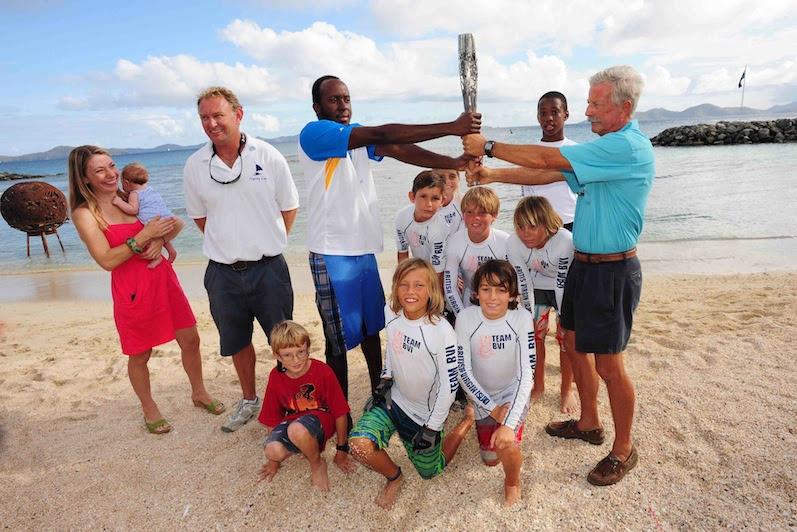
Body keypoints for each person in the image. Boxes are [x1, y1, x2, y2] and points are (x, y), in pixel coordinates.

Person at [463, 65, 654, 486]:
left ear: (624, 107)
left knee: (610, 365)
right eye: (587, 103)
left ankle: (624, 449)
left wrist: (489, 146)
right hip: (585, 265)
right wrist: (492, 175)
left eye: (595, 104)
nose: (588, 112)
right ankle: (588, 422)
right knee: (573, 344)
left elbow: (550, 156)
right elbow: (548, 172)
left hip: (613, 271)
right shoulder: (605, 149)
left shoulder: (626, 147)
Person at [297, 75, 480, 404]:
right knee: (337, 339)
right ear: (317, 107)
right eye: (334, 100)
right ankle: (340, 413)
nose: (342, 106)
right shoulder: (315, 135)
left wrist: (450, 163)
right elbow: (384, 133)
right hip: (331, 252)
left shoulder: (356, 140)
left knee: (371, 328)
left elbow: (399, 148)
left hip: (363, 250)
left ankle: (378, 396)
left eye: (346, 99)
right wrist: (452, 126)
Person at [68, 145, 223, 435]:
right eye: (99, 170)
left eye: (112, 166)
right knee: (141, 353)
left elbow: (176, 222)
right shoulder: (85, 213)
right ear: (85, 178)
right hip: (132, 288)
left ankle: (199, 392)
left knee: (190, 338)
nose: (111, 174)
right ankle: (149, 408)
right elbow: (106, 260)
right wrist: (143, 237)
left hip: (163, 278)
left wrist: (158, 239)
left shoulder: (131, 198)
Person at [183, 86, 300, 433]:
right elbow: (200, 218)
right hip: (222, 274)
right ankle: (249, 399)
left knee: (284, 340)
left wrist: (265, 241)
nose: (211, 123)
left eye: (218, 115)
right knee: (236, 341)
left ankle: (289, 400)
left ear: (238, 114)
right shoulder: (195, 165)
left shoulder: (268, 155)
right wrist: (229, 245)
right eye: (204, 117)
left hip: (269, 270)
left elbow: (289, 207)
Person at [348, 258, 475, 510]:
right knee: (358, 444)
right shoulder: (390, 312)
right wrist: (385, 377)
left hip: (423, 415)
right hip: (394, 400)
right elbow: (392, 351)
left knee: (431, 471)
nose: (410, 292)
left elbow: (450, 386)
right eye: (403, 285)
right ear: (395, 287)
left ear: (431, 290)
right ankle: (394, 477)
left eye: (419, 285)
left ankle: (466, 422)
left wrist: (432, 427)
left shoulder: (442, 332)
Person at [456, 259, 535, 506]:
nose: (492, 297)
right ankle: (473, 415)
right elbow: (462, 371)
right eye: (486, 289)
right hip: (482, 397)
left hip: (512, 392)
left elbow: (526, 375)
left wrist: (509, 423)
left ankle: (512, 481)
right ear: (475, 292)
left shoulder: (522, 318)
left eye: (501, 290)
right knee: (489, 460)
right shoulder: (465, 318)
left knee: (505, 443)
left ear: (512, 295)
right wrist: (490, 407)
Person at [257, 320, 355, 491]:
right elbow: (272, 419)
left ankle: (317, 463)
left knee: (297, 430)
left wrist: (341, 450)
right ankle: (305, 446)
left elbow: (340, 412)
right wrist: (274, 463)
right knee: (272, 450)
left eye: (301, 352)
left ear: (308, 348)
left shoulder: (322, 371)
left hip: (322, 419)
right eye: (287, 355)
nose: (296, 360)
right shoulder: (275, 376)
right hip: (294, 421)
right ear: (277, 356)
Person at [507, 196, 576, 413]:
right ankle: (538, 385)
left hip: (565, 286)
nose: (525, 233)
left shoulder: (565, 240)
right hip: (535, 285)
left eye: (532, 227)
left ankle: (566, 389)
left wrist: (564, 318)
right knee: (536, 336)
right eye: (520, 227)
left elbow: (561, 283)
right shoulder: (513, 242)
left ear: (547, 224)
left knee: (565, 339)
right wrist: (528, 316)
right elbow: (523, 280)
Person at [443, 186, 509, 317]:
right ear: (463, 214)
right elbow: (449, 288)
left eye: (482, 213)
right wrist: (462, 317)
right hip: (469, 295)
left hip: (498, 297)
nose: (476, 218)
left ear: (494, 215)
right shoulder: (454, 241)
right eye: (470, 212)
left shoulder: (505, 241)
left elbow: (513, 284)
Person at [523, 92, 578, 231]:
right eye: (543, 113)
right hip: (538, 224)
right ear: (538, 117)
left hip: (572, 222)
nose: (549, 118)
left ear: (566, 115)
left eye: (555, 112)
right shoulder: (530, 153)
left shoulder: (576, 150)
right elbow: (526, 194)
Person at [112, 162, 179, 269]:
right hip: (165, 216)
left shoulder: (134, 194)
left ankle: (156, 257)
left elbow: (133, 210)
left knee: (149, 236)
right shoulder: (149, 189)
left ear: (126, 182)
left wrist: (119, 202)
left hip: (150, 220)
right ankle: (171, 251)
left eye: (122, 183)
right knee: (161, 237)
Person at [395, 170, 450, 277]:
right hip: (424, 267)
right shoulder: (402, 217)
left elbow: (438, 270)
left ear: (442, 201)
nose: (428, 204)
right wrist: (402, 278)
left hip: (445, 269)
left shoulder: (439, 227)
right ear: (412, 197)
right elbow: (402, 253)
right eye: (423, 196)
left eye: (435, 198)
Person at [436, 168, 464, 233]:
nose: (447, 182)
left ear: (458, 178)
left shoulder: (467, 202)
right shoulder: (423, 204)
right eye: (441, 177)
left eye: (452, 176)